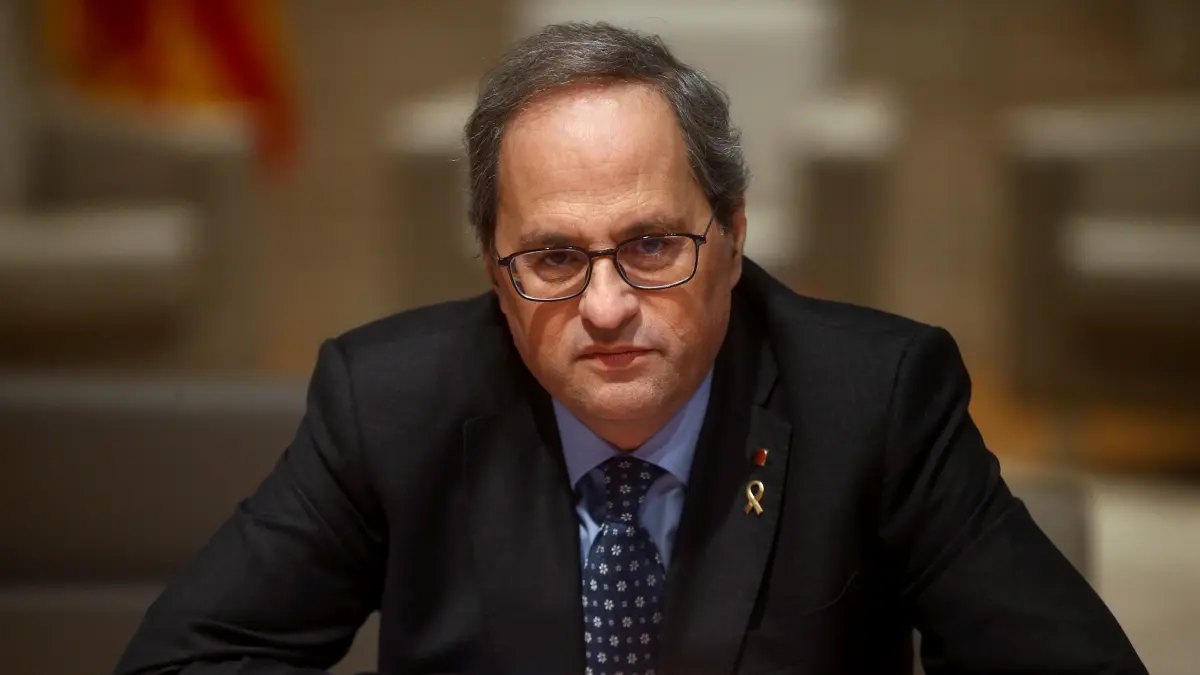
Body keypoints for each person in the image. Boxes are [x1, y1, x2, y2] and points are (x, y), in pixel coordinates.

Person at [115, 22, 1146, 675]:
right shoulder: (388, 401)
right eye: (554, 257)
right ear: (494, 270)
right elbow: (186, 661)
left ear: (733, 238)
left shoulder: (876, 397)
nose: (606, 307)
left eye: (652, 246)